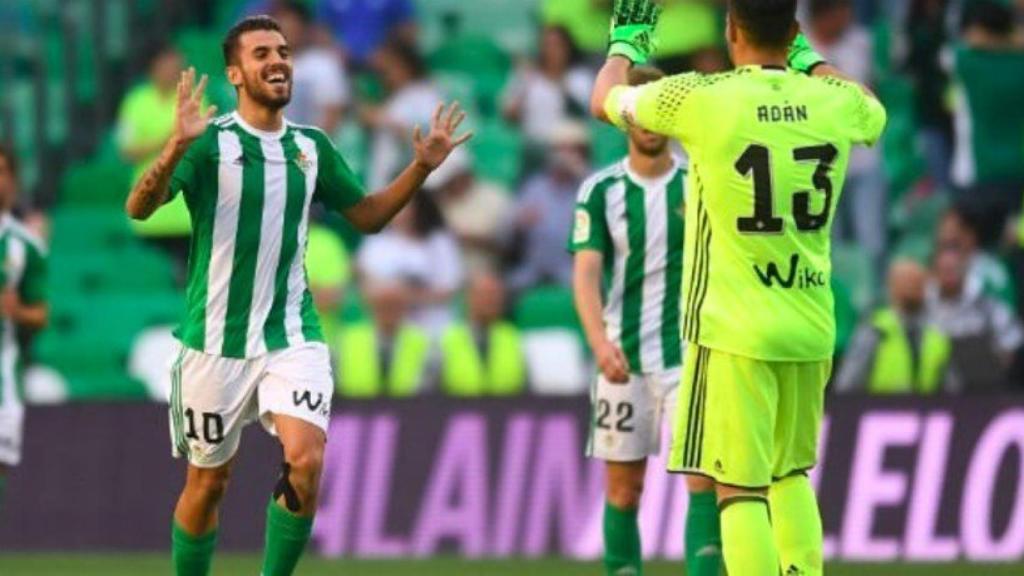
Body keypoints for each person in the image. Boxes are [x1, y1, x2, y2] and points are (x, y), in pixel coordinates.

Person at [123, 15, 470, 576]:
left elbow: (370, 216)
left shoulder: (312, 148)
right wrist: (171, 149)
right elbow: (138, 208)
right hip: (214, 342)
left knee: (305, 462)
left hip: (292, 334)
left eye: (282, 51)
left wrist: (420, 168)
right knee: (208, 483)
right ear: (236, 73)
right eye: (261, 53)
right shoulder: (208, 144)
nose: (278, 60)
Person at [590, 1, 887, 575]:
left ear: (730, 32)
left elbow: (605, 99)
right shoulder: (837, 101)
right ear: (795, 34)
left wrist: (626, 43)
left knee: (738, 486)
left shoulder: (702, 98)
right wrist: (807, 58)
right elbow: (872, 109)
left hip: (732, 329)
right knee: (791, 474)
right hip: (809, 323)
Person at [570, 66, 721, 576]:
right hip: (623, 358)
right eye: (639, 108)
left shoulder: (701, 182)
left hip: (691, 359)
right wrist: (598, 342)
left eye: (660, 107)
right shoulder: (600, 190)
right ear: (624, 118)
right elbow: (586, 274)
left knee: (703, 481)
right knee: (623, 488)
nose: (650, 121)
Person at [807, 0, 886, 272]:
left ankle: (876, 307)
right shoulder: (799, 51)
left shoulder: (861, 43)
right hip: (820, 166)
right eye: (840, 9)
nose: (848, 15)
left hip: (863, 161)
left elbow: (874, 93)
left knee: (872, 242)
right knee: (828, 244)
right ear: (823, 16)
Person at [0, 145, 48, 516]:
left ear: (13, 182)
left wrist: (17, 311)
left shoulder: (25, 245)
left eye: (3, 171)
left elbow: (41, 314)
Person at [117, 42, 191, 268]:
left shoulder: (192, 99)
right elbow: (127, 151)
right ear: (153, 68)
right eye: (168, 66)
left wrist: (174, 140)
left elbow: (194, 143)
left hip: (186, 213)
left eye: (178, 66)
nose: (174, 71)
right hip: (149, 210)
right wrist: (167, 141)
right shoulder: (135, 101)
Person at [928, 222, 1024, 392]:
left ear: (964, 270)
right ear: (935, 272)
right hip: (932, 389)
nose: (949, 276)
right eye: (944, 271)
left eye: (953, 270)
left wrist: (995, 369)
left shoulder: (986, 305)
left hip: (983, 389)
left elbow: (1012, 340)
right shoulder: (925, 305)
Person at [835, 259, 952, 393]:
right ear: (892, 285)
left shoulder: (937, 335)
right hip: (881, 411)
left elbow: (953, 390)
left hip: (929, 411)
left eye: (918, 281)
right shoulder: (876, 330)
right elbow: (847, 385)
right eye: (907, 280)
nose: (913, 286)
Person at [357, 192, 464, 337]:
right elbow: (367, 289)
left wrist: (406, 295)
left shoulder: (440, 243)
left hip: (433, 331)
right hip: (389, 334)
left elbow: (448, 289)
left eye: (404, 205)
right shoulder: (375, 244)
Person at [507, 121, 591, 294]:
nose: (566, 156)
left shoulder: (593, 183)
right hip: (533, 271)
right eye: (561, 149)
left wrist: (581, 174)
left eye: (573, 150)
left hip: (574, 273)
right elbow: (508, 232)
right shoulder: (535, 186)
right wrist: (520, 225)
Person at [364, 39, 444, 190]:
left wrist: (382, 120)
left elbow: (425, 137)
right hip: (385, 184)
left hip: (417, 185)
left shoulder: (424, 93)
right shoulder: (393, 98)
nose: (385, 77)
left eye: (389, 69)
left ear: (405, 66)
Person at [337, 279, 433, 397]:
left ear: (404, 308)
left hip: (409, 410)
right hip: (356, 410)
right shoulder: (349, 339)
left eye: (395, 305)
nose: (389, 311)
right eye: (384, 305)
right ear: (372, 306)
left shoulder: (421, 342)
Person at [502, 26, 594, 147]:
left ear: (568, 47)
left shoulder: (581, 78)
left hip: (570, 145)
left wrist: (560, 83)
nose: (552, 50)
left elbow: (583, 115)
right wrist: (524, 85)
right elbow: (509, 117)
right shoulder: (526, 76)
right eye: (547, 45)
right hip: (535, 145)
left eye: (557, 45)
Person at [427, 148, 512, 276]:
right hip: (439, 279)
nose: (444, 187)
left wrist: (474, 240)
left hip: (483, 280)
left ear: (461, 176)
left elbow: (511, 248)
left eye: (448, 181)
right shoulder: (435, 202)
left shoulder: (497, 199)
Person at [440, 273, 525, 396]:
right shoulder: (448, 339)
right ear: (468, 297)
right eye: (485, 295)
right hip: (459, 412)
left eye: (496, 295)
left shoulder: (514, 337)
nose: (491, 300)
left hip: (506, 410)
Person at [273, 1, 350, 133]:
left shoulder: (324, 65)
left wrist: (311, 149)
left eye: (292, 29)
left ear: (305, 29)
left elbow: (332, 113)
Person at [316, 0, 417, 66]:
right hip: (342, 62)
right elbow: (321, 29)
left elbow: (407, 28)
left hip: (384, 61)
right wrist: (335, 50)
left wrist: (387, 52)